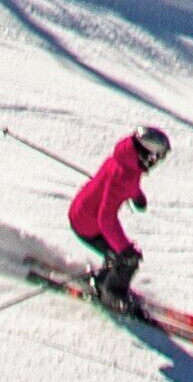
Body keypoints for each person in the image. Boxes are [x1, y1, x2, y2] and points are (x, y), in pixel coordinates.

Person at [68, 125, 171, 308]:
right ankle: (112, 296)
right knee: (128, 260)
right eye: (156, 157)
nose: (155, 162)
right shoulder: (124, 174)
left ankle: (104, 281)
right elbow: (105, 218)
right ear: (146, 154)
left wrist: (137, 196)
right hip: (87, 224)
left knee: (119, 254)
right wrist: (125, 251)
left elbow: (130, 182)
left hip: (83, 212)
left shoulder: (127, 161)